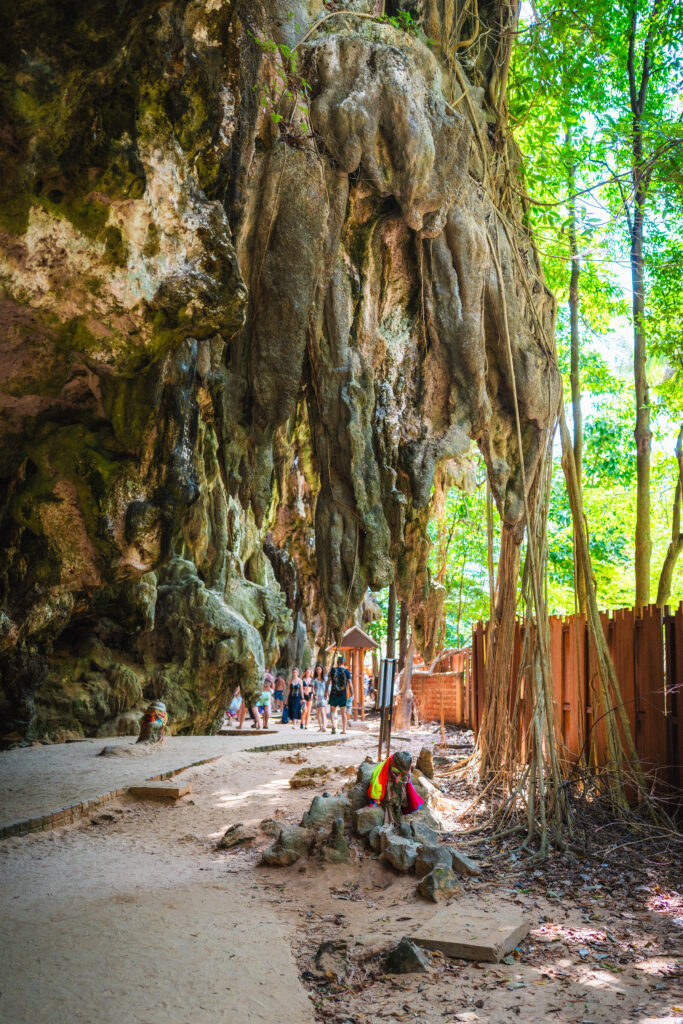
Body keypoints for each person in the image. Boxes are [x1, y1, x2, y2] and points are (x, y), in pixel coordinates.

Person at [327, 655, 352, 735]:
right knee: (343, 712)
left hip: (334, 693)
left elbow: (328, 682)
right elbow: (350, 684)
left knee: (332, 711)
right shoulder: (347, 671)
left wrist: (325, 691)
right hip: (343, 694)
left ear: (337, 662)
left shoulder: (333, 670)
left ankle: (333, 726)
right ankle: (344, 730)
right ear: (344, 662)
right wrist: (352, 694)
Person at [312, 663, 328, 732]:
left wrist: (328, 694)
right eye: (317, 669)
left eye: (319, 669)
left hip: (323, 697)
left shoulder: (325, 678)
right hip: (317, 697)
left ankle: (324, 727)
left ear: (322, 669)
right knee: (318, 712)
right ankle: (320, 726)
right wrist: (314, 695)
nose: (318, 670)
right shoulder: (314, 679)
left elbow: (327, 688)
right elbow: (312, 689)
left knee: (322, 711)